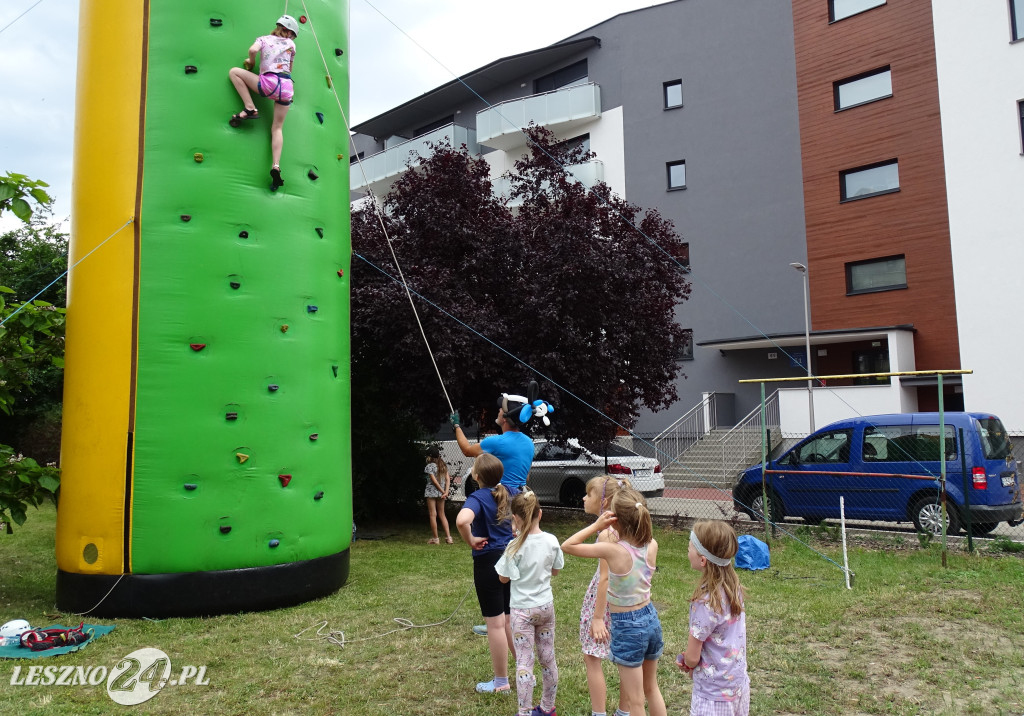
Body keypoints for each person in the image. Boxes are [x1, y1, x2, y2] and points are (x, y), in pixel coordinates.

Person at [562, 489, 667, 716]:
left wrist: (597, 527)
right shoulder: (652, 544)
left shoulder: (613, 550)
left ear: (615, 520)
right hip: (650, 618)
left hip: (628, 626)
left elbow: (568, 546)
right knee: (651, 689)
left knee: (636, 701)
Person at [495, 489, 564, 716]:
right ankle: (547, 707)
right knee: (547, 657)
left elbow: (503, 578)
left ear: (515, 518)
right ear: (540, 514)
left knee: (525, 663)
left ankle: (524, 712)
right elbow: (555, 571)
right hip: (545, 607)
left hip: (522, 610)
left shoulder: (513, 547)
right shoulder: (552, 541)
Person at [456, 453, 515, 694]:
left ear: (476, 476)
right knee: (510, 619)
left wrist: (469, 539)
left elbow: (462, 520)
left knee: (495, 624)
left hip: (488, 562)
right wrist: (514, 531)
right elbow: (527, 516)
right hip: (512, 559)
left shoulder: (477, 496)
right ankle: (525, 672)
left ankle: (501, 682)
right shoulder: (511, 491)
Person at [677, 520, 750, 716]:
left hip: (712, 695)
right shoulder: (733, 589)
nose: (687, 549)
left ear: (703, 560)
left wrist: (687, 662)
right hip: (738, 686)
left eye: (690, 547)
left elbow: (692, 657)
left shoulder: (705, 601)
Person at [580, 475, 633, 716]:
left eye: (589, 494)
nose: (583, 497)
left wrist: (598, 616)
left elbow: (605, 578)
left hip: (605, 603)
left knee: (592, 657)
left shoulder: (606, 535)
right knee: (625, 661)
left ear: (605, 501)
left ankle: (598, 713)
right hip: (627, 600)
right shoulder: (628, 527)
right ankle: (623, 712)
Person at [227, 15, 299, 191]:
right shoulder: (291, 45)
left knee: (234, 72)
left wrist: (251, 63)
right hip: (287, 87)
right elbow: (290, 68)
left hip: (269, 83)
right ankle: (275, 165)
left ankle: (250, 108)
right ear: (289, 32)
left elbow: (252, 50)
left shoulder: (264, 39)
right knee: (277, 128)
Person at [451, 388, 538, 493]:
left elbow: (467, 450)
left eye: (501, 409)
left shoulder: (496, 442)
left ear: (505, 418)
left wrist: (457, 427)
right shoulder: (529, 442)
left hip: (502, 498)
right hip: (522, 498)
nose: (499, 410)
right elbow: (526, 476)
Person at [423, 446, 452, 544]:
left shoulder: (429, 466)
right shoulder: (443, 465)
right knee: (442, 514)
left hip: (431, 493)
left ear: (429, 457)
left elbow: (434, 482)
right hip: (442, 494)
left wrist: (442, 491)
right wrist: (445, 492)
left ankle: (435, 539)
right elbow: (448, 480)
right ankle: (449, 538)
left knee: (433, 515)